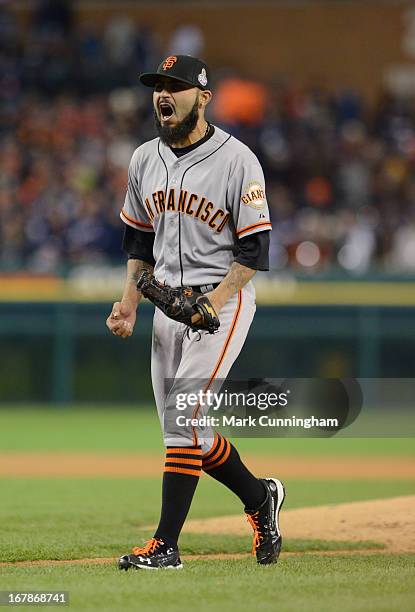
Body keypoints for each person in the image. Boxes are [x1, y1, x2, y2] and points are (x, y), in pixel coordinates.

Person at [106, 54, 285, 570]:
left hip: (220, 305)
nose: (164, 95)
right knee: (190, 436)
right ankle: (260, 498)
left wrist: (216, 300)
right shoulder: (144, 159)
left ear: (203, 97)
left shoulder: (237, 160)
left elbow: (254, 252)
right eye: (158, 86)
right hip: (166, 306)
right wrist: (129, 303)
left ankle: (165, 546)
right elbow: (138, 239)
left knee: (184, 423)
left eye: (176, 86)